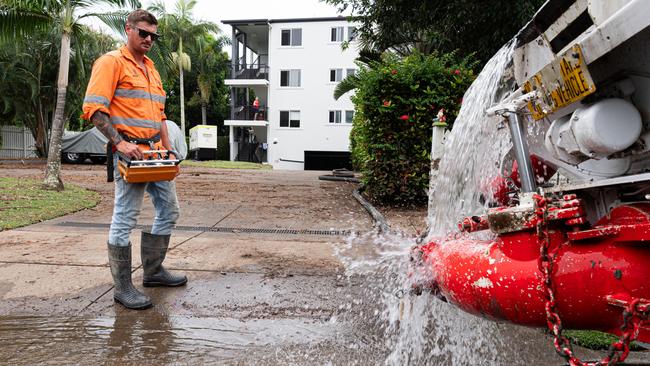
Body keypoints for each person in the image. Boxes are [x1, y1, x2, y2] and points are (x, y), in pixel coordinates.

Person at [81, 9, 186, 310]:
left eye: (153, 35)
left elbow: (160, 116)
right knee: (125, 218)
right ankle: (123, 288)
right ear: (128, 29)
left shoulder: (151, 69)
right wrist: (119, 143)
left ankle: (153, 272)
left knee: (169, 209)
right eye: (143, 33)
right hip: (130, 155)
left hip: (155, 155)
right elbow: (94, 109)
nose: (149, 39)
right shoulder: (111, 62)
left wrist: (169, 151)